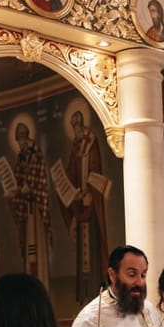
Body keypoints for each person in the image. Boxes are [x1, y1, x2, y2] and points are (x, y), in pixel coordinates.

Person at [61, 109, 109, 305]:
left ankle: (96, 290)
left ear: (81, 125)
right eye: (73, 128)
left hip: (90, 200)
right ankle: (84, 293)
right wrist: (66, 185)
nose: (75, 131)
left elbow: (96, 168)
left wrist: (88, 190)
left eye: (77, 126)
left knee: (93, 246)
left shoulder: (91, 142)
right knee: (82, 249)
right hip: (80, 201)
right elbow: (72, 170)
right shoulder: (75, 145)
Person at [10, 122, 51, 285]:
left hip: (37, 209)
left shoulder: (35, 154)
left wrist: (30, 188)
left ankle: (42, 280)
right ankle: (30, 281)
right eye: (18, 140)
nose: (20, 142)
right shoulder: (21, 158)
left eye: (22, 138)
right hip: (26, 210)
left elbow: (40, 179)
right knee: (29, 250)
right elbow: (17, 179)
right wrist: (16, 191)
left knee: (38, 249)